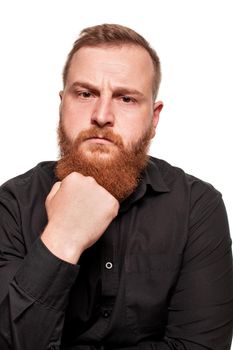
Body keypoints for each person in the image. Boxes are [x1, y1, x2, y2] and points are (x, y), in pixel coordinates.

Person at [0, 23, 232, 350]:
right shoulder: (12, 204)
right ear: (62, 103)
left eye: (126, 98)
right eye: (85, 94)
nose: (102, 115)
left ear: (154, 118)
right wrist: (63, 238)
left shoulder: (198, 206)